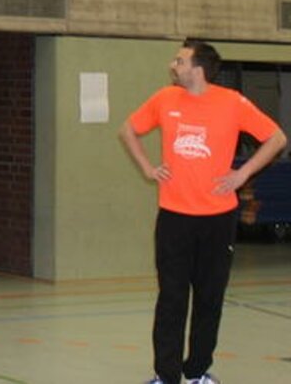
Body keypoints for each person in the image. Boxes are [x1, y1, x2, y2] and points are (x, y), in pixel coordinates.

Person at [118, 41, 286, 384]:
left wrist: (242, 174)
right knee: (171, 299)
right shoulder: (165, 99)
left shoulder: (232, 103)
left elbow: (277, 138)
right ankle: (166, 376)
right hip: (174, 218)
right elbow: (128, 131)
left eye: (180, 60)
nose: (173, 65)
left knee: (209, 299)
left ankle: (196, 372)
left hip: (218, 220)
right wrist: (149, 169)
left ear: (198, 69)